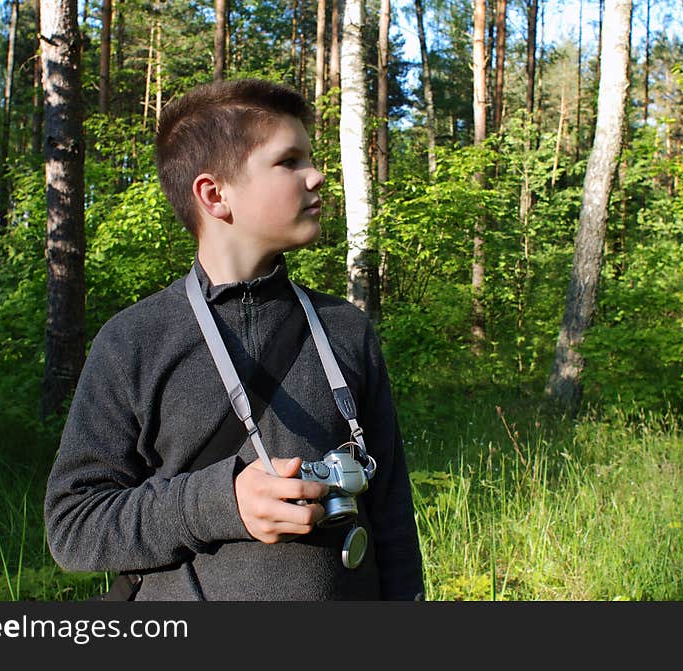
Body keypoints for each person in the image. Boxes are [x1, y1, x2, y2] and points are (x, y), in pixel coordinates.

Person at [44, 78, 424, 601]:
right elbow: (73, 526)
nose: (317, 175)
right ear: (214, 194)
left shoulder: (345, 329)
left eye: (309, 158)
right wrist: (219, 504)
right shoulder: (132, 341)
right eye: (289, 161)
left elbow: (393, 519)